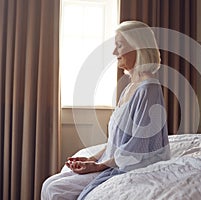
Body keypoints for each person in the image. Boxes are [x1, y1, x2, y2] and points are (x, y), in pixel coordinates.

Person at [41, 20, 170, 200]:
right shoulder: (130, 87)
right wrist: (92, 159)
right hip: (114, 162)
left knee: (55, 190)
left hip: (129, 166)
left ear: (138, 47)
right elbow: (116, 142)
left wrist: (100, 166)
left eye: (119, 46)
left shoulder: (149, 89)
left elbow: (138, 147)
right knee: (49, 184)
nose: (114, 52)